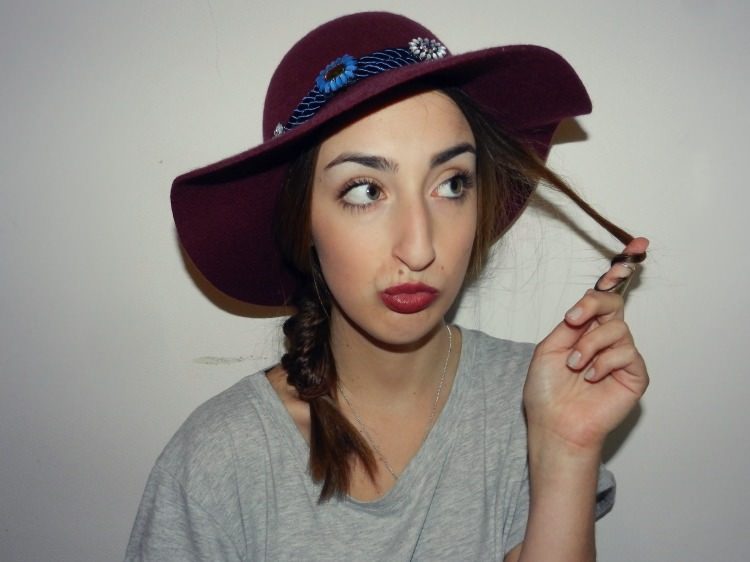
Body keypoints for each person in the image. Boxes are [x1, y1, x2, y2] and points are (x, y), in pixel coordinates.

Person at [126, 12, 649, 561]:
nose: (419, 248)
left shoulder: (535, 402)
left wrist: (565, 449)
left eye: (451, 184)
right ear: (303, 221)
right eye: (365, 190)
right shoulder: (218, 463)